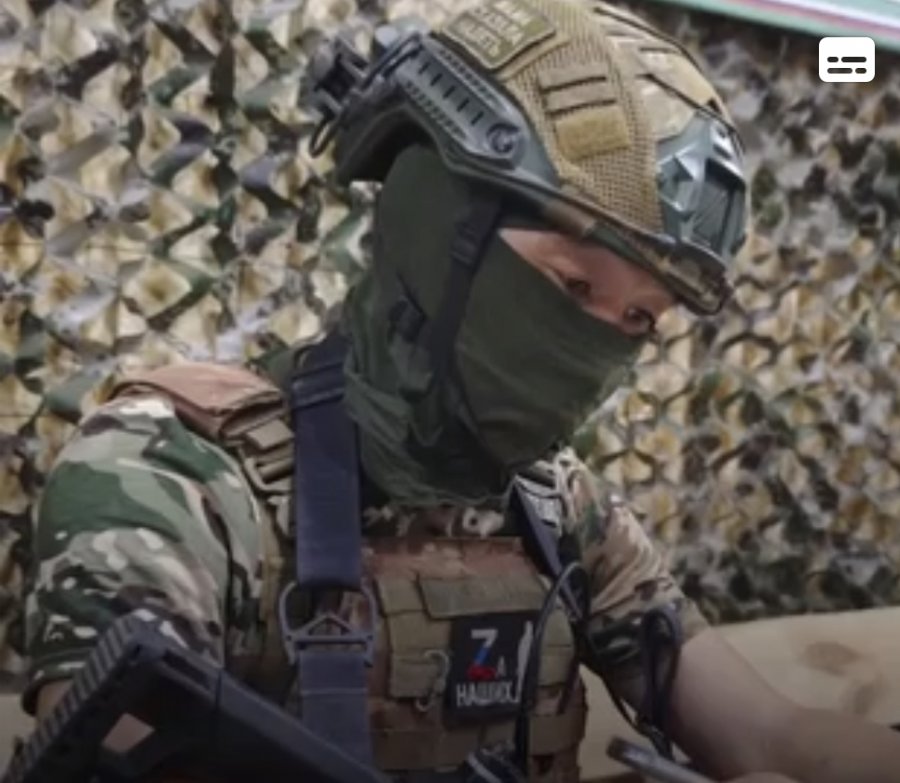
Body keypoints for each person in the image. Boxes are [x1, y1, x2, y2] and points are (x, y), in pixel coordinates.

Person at [20, 1, 900, 782]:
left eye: (639, 319)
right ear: (437, 232)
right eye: (572, 286)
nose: (595, 343)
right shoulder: (173, 476)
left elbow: (774, 737)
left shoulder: (559, 511)